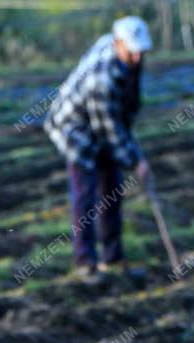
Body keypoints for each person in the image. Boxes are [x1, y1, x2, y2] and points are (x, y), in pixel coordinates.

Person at [44, 16, 153, 281]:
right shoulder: (101, 80)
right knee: (86, 194)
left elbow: (123, 113)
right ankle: (85, 263)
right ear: (118, 44)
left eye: (141, 51)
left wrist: (132, 150)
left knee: (113, 189)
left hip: (100, 121)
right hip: (74, 129)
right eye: (132, 51)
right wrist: (136, 160)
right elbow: (110, 130)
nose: (138, 58)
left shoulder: (126, 56)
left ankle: (113, 259)